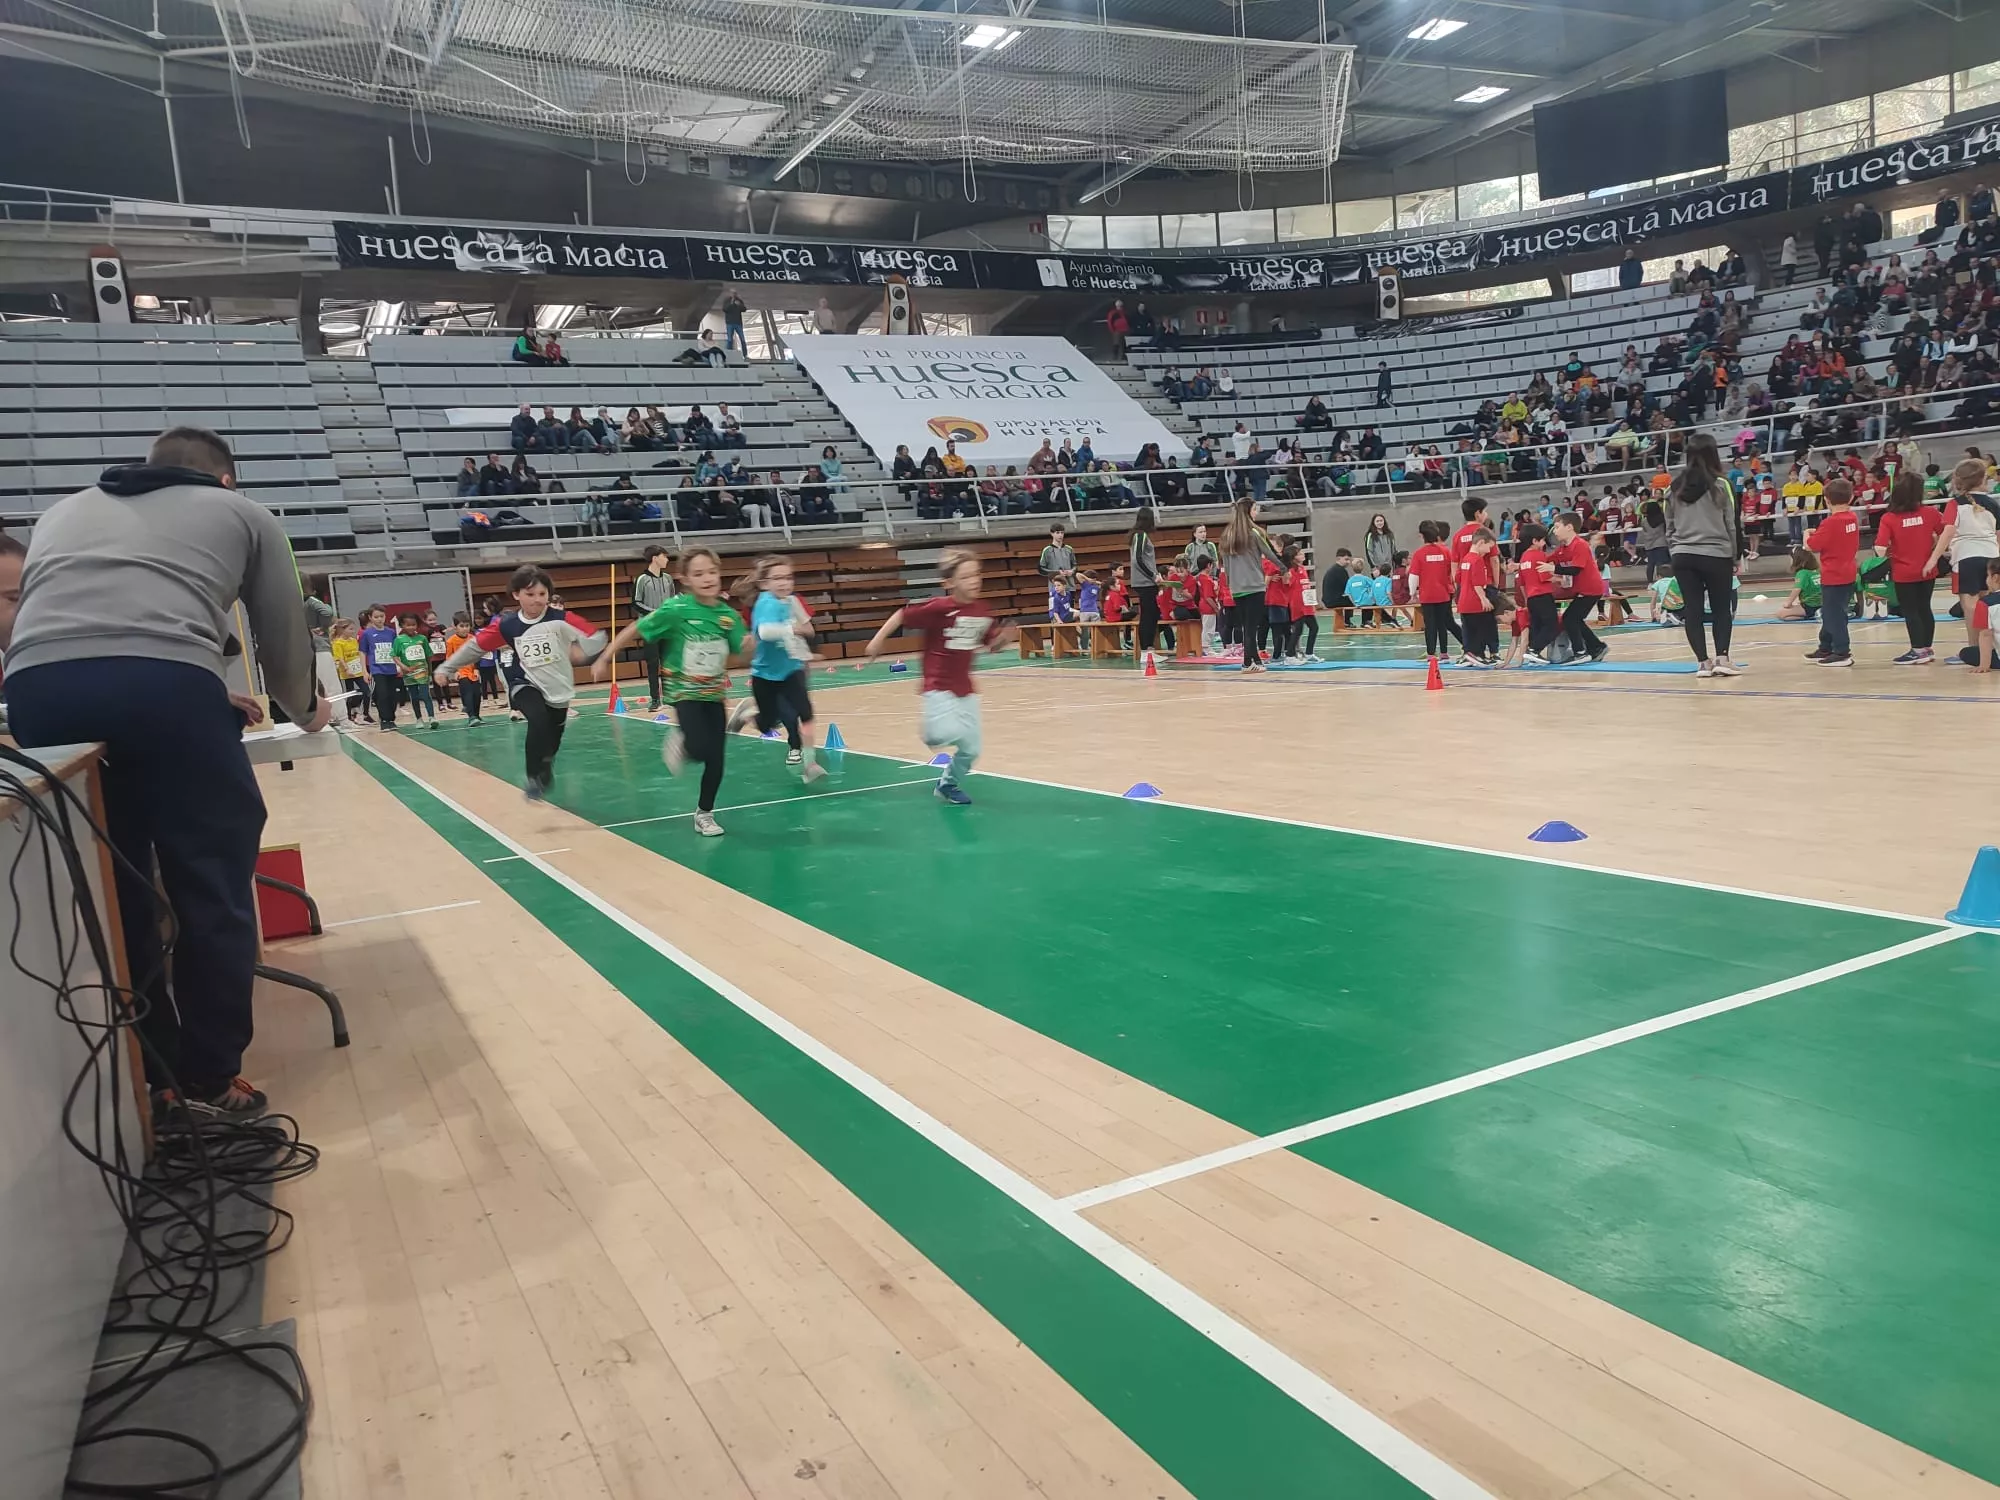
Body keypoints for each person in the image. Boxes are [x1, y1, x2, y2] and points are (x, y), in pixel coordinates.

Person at [2, 425, 329, 1119]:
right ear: (225, 481)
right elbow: (281, 635)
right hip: (162, 688)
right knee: (210, 879)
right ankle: (208, 1080)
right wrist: (307, 711)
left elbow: (93, 625)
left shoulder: (60, 512)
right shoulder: (244, 515)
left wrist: (195, 686)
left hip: (35, 692)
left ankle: (151, 1075)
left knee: (115, 885)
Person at [595, 549, 746, 834]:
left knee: (716, 759)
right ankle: (682, 743)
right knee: (700, 747)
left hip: (714, 694)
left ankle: (704, 813)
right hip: (684, 693)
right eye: (698, 574)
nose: (707, 578)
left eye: (712, 572)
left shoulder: (728, 616)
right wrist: (606, 656)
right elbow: (637, 627)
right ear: (685, 579)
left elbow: (739, 653)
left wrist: (750, 646)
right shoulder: (676, 610)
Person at [438, 565, 607, 802]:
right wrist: (447, 667)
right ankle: (532, 777)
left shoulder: (561, 619)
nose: (537, 600)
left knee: (553, 737)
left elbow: (596, 636)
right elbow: (477, 646)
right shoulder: (507, 624)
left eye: (542, 594)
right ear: (516, 594)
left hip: (558, 686)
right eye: (530, 594)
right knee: (537, 720)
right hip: (522, 680)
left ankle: (546, 765)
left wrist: (581, 652)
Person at [863, 549, 1015, 805]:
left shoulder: (982, 610)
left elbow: (991, 643)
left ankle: (947, 784)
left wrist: (1003, 639)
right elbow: (902, 615)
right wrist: (877, 641)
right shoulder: (939, 608)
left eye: (976, 574)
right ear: (949, 583)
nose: (974, 581)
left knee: (972, 750)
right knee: (939, 735)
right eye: (966, 577)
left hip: (965, 688)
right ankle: (933, 732)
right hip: (937, 685)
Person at [725, 556, 827, 783]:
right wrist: (792, 628)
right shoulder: (765, 603)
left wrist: (808, 644)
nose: (784, 583)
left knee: (806, 714)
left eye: (788, 578)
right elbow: (766, 632)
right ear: (764, 583)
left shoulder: (792, 602)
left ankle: (809, 763)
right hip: (765, 674)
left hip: (792, 668)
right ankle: (748, 714)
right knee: (767, 724)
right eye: (777, 578)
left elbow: (808, 628)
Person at [1665, 432, 1742, 678]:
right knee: (1721, 608)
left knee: (1693, 610)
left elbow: (1669, 525)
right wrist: (1735, 555)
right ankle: (1722, 658)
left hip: (1683, 555)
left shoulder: (1674, 487)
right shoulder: (1722, 484)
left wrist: (1676, 549)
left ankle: (1702, 663)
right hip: (1716, 553)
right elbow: (1731, 523)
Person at [1927, 456, 2000, 662]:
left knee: (1971, 608)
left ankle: (1975, 651)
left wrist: (1934, 558)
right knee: (1988, 606)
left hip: (1967, 558)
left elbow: (1948, 531)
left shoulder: (1955, 504)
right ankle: (1991, 649)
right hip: (1991, 557)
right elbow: (1998, 535)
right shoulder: (1992, 503)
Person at [1874, 471, 1946, 665]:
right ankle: (1927, 648)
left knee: (1911, 611)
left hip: (1904, 572)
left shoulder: (1889, 518)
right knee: (1925, 608)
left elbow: (1879, 549)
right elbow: (1946, 534)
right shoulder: (1931, 513)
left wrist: (1890, 550)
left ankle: (1917, 650)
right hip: (1928, 569)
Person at [1220, 499, 1282, 672]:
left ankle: (1255, 660)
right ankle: (1248, 662)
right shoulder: (1254, 533)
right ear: (1248, 511)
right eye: (1255, 509)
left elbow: (1225, 564)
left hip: (1237, 587)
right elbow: (1270, 553)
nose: (1257, 513)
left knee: (1247, 625)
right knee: (1251, 626)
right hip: (1254, 585)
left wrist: (1231, 585)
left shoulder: (1227, 535)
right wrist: (1283, 567)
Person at [1548, 513, 1610, 664]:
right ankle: (1596, 647)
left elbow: (1575, 569)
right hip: (1582, 590)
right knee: (1574, 618)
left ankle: (1580, 652)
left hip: (1591, 589)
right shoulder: (1563, 548)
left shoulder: (1580, 545)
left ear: (1569, 527)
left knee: (1570, 619)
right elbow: (1549, 559)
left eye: (1557, 527)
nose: (1554, 531)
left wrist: (1552, 568)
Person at [631, 544, 676, 712]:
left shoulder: (668, 579)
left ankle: (670, 697)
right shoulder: (642, 579)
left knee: (668, 663)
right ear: (655, 558)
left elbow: (672, 599)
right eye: (664, 556)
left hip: (667, 627)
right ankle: (655, 699)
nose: (667, 559)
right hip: (650, 627)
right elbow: (636, 602)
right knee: (652, 663)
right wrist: (655, 613)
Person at [1409, 520, 1457, 660]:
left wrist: (1412, 593)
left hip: (1427, 595)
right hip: (1443, 593)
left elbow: (1413, 576)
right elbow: (1450, 571)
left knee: (1430, 624)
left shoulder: (1419, 554)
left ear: (1421, 535)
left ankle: (1431, 653)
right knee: (1442, 624)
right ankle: (1444, 652)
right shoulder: (1445, 551)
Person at [1455, 528, 1500, 666]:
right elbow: (1477, 583)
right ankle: (1475, 654)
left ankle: (1471, 654)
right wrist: (1483, 598)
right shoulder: (1477, 560)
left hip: (1464, 601)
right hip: (1475, 602)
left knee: (1469, 629)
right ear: (1481, 542)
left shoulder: (1465, 559)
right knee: (1480, 629)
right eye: (1488, 547)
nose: (1488, 551)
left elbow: (1458, 578)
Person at [1515, 522, 1559, 664]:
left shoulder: (1523, 558)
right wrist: (1561, 579)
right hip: (1543, 595)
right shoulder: (1539, 555)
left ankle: (1533, 655)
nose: (1544, 542)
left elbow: (1521, 583)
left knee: (1537, 626)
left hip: (1531, 597)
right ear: (1535, 541)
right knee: (1552, 626)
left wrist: (1527, 599)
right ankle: (1534, 650)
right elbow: (1546, 577)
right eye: (1542, 540)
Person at [393, 611, 439, 728]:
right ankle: (419, 719)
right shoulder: (399, 640)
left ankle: (431, 717)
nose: (411, 627)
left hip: (422, 672)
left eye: (413, 624)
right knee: (414, 696)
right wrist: (403, 667)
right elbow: (394, 655)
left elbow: (428, 656)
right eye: (408, 625)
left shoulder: (422, 639)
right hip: (408, 673)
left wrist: (429, 672)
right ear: (402, 626)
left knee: (425, 694)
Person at [358, 605, 401, 728]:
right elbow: (362, 652)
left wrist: (400, 666)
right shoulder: (367, 634)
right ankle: (384, 720)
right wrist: (364, 671)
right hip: (377, 670)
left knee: (392, 695)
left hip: (391, 669)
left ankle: (391, 719)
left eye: (381, 616)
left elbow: (396, 650)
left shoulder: (391, 632)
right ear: (370, 618)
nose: (379, 619)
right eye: (376, 617)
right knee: (382, 694)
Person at [441, 613, 484, 721]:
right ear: (455, 627)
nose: (465, 629)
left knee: (477, 694)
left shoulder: (473, 638)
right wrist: (455, 672)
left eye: (467, 626)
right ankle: (471, 716)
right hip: (461, 671)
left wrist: (476, 669)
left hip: (472, 670)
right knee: (468, 693)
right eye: (462, 626)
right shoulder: (451, 641)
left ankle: (477, 715)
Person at [1129, 507, 1160, 653]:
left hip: (1148, 582)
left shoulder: (1141, 535)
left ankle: (1149, 648)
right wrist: (1152, 575)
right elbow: (1138, 559)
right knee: (1148, 616)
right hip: (1145, 582)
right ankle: (1146, 650)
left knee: (1152, 614)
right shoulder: (1140, 536)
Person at [721, 290, 748, 355]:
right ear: (730, 293)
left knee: (742, 339)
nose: (734, 294)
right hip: (730, 323)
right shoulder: (727, 300)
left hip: (738, 323)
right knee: (730, 339)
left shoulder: (739, 300)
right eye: (733, 293)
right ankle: (728, 354)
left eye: (735, 293)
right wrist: (731, 303)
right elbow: (725, 309)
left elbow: (744, 309)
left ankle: (745, 355)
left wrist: (739, 305)